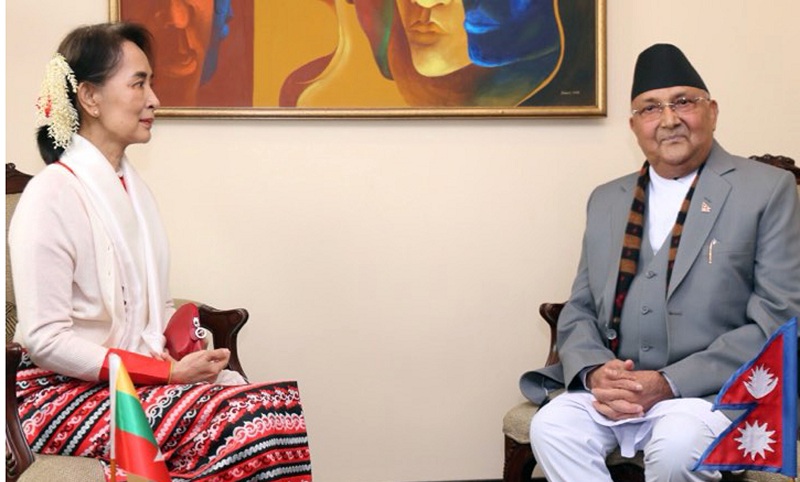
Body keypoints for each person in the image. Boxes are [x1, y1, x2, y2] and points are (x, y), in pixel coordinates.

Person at [10, 23, 312, 481]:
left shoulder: (134, 191)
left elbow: (151, 307)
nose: (154, 99)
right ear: (90, 97)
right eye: (138, 84)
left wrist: (186, 347)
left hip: (129, 381)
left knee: (268, 410)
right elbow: (44, 340)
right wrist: (165, 373)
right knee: (248, 418)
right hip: (57, 396)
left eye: (151, 83)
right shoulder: (50, 195)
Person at [520, 43, 800, 481]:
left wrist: (669, 382)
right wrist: (596, 373)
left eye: (683, 102)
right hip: (617, 390)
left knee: (678, 446)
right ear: (634, 126)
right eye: (650, 108)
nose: (669, 119)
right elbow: (581, 307)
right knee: (553, 427)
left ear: (712, 112)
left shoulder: (768, 189)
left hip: (709, 392)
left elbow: (779, 317)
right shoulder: (606, 199)